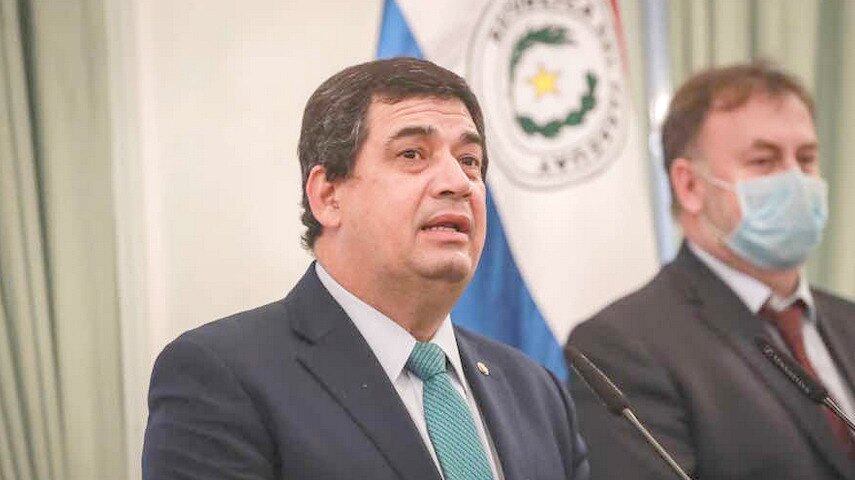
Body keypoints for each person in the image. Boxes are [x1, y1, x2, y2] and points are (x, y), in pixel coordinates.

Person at [143, 57, 589, 480]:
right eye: (412, 155)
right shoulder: (223, 377)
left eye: (469, 161)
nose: (458, 183)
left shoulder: (535, 391)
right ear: (327, 197)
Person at [567, 62, 855, 480]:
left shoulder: (848, 320)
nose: (795, 179)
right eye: (764, 161)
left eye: (806, 159)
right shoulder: (622, 346)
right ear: (689, 186)